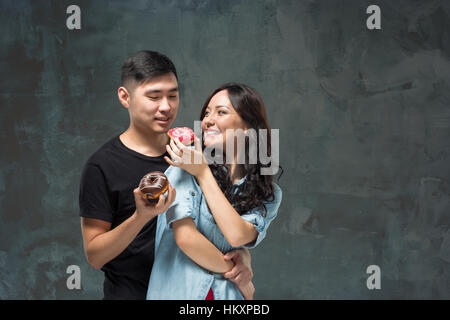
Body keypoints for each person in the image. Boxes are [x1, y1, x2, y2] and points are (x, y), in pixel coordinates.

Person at [78, 51, 254, 300]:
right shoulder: (102, 166)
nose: (166, 106)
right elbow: (95, 255)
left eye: (173, 95)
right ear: (125, 97)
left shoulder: (196, 154)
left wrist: (242, 258)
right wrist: (140, 217)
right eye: (153, 97)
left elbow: (228, 225)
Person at [147, 83, 282, 300]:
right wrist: (242, 279)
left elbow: (237, 235)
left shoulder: (268, 194)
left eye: (221, 112)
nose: (208, 120)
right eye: (207, 113)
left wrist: (203, 174)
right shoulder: (185, 165)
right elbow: (186, 239)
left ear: (248, 127)